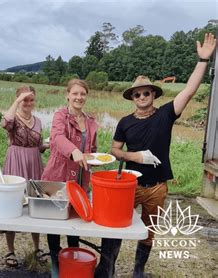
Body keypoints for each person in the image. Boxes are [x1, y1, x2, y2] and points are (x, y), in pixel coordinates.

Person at [95, 33, 216, 278]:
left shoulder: (165, 115)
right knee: (114, 227)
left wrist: (203, 61)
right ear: (132, 98)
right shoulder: (125, 123)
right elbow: (114, 150)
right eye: (137, 94)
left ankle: (138, 270)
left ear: (153, 95)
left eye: (146, 93)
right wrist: (135, 156)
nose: (141, 97)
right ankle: (106, 268)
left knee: (150, 230)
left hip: (156, 187)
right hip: (127, 185)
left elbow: (189, 91)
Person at [41, 79, 98, 277]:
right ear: (67, 95)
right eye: (75, 93)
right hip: (58, 176)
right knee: (56, 221)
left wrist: (93, 158)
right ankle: (56, 264)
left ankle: (72, 260)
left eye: (82, 94)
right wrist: (73, 150)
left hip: (81, 179)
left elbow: (92, 149)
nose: (79, 97)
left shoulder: (90, 121)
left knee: (75, 220)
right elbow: (57, 138)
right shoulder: (60, 116)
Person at [0, 85, 50, 267]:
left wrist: (44, 146)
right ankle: (10, 250)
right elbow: (5, 123)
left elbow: (37, 144)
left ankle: (37, 247)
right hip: (15, 160)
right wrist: (16, 101)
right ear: (18, 100)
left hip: (34, 161)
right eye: (24, 100)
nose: (28, 103)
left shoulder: (37, 121)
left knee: (35, 202)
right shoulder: (14, 118)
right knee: (12, 202)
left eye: (31, 99)